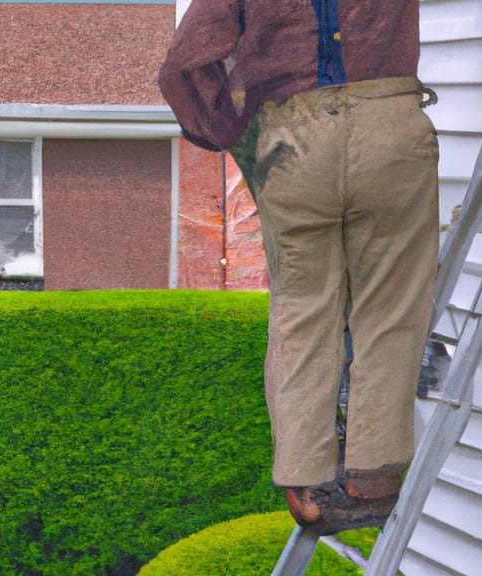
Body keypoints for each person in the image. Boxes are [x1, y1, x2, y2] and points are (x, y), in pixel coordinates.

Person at [158, 0, 439, 535]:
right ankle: (372, 481)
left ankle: (306, 484)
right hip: (390, 126)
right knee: (390, 308)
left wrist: (234, 131)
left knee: (302, 312)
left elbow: (186, 62)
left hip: (291, 135)